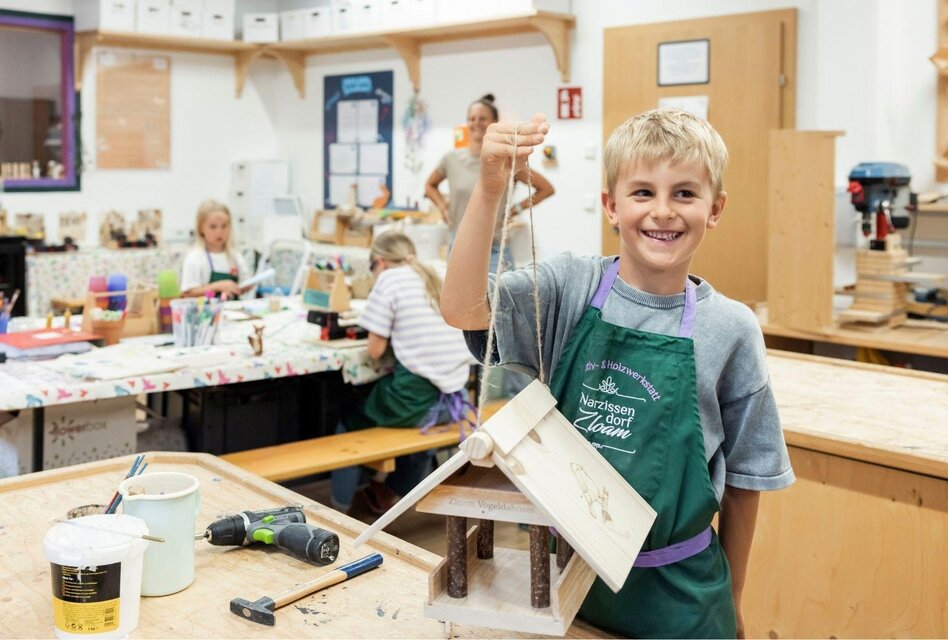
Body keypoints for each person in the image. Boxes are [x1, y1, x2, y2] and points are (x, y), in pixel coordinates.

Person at [440, 108, 794, 639]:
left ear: (715, 209)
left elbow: (746, 481)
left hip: (683, 602)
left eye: (685, 194)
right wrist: (491, 189)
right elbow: (463, 309)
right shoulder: (569, 289)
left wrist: (735, 599)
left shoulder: (731, 329)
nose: (663, 212)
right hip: (570, 587)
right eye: (643, 192)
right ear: (610, 204)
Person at [330, 231, 476, 514]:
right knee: (420, 434)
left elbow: (373, 351)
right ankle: (388, 492)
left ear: (380, 262)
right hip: (456, 401)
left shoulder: (389, 279)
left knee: (347, 422)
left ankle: (337, 511)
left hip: (417, 402)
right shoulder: (436, 270)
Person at [424, 93, 554, 272]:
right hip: (458, 245)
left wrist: (515, 210)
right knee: (458, 300)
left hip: (493, 248)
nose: (476, 122)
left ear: (494, 122)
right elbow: (430, 185)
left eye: (482, 118)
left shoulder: (506, 159)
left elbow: (546, 189)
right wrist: (443, 207)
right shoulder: (451, 159)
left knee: (498, 300)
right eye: (472, 118)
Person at [180, 200, 253, 299]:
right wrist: (218, 287)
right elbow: (187, 293)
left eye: (224, 226)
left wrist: (246, 287)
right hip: (206, 312)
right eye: (213, 227)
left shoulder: (235, 256)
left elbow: (243, 284)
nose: (219, 232)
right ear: (201, 228)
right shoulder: (195, 257)